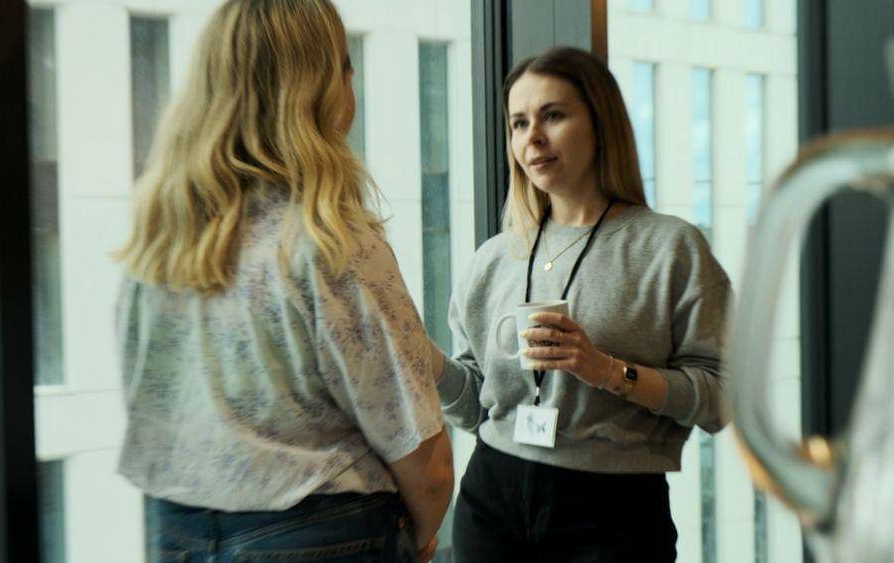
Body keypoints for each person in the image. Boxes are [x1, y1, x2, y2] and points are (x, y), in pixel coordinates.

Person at [114, 1, 452, 561]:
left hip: (177, 531)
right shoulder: (331, 238)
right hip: (322, 531)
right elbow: (423, 458)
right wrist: (416, 539)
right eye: (346, 69)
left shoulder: (159, 241)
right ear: (322, 90)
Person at [436, 46, 732, 562]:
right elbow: (473, 405)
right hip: (492, 495)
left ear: (601, 125)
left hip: (611, 510)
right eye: (519, 123)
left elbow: (723, 398)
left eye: (552, 115)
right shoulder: (494, 258)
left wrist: (606, 370)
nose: (532, 137)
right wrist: (422, 359)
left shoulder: (670, 248)